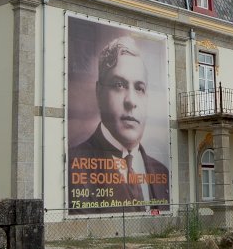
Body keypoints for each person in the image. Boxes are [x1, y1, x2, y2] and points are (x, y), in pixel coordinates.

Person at [69, 36, 169, 213]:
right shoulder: (73, 164)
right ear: (99, 92)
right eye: (119, 84)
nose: (131, 101)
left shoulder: (162, 171)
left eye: (139, 88)